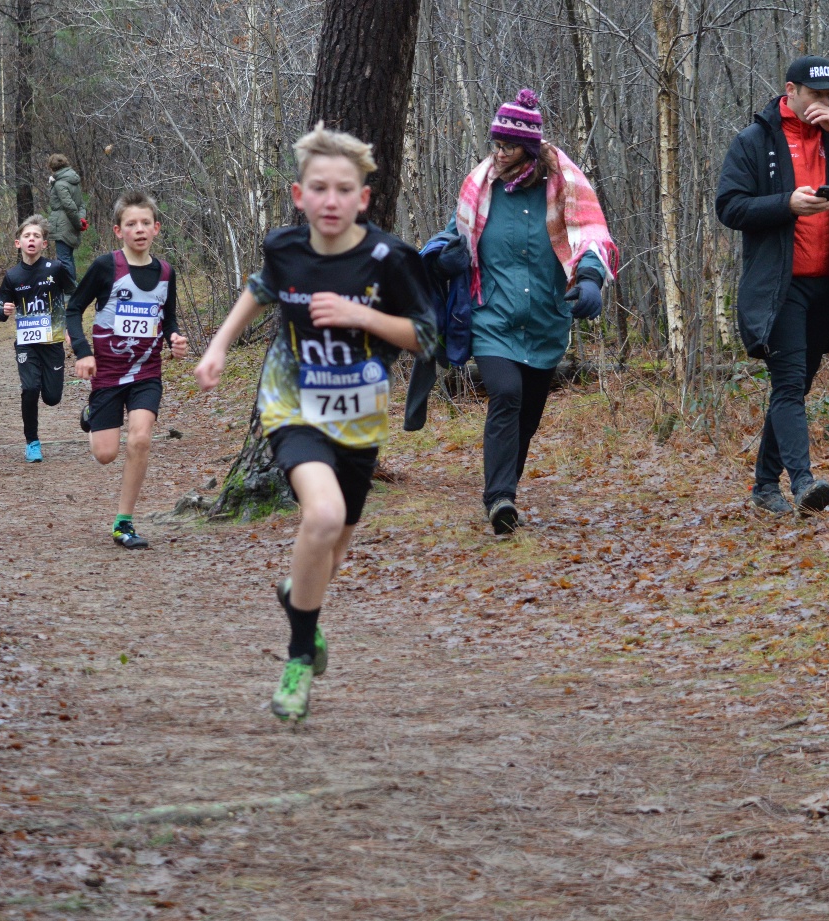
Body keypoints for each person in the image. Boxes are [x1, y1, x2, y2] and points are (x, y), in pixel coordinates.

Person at [194, 123, 436, 723]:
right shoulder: (286, 248)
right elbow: (261, 287)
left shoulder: (389, 259)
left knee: (334, 542)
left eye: (344, 189)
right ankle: (299, 659)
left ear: (363, 199)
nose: (331, 201)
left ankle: (300, 602)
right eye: (319, 188)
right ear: (299, 196)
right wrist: (219, 344)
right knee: (322, 516)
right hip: (292, 403)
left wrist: (362, 314)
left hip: (358, 417)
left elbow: (429, 337)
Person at [428, 89, 618, 535]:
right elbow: (451, 237)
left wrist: (590, 279)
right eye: (495, 145)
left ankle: (504, 490)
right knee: (506, 394)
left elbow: (590, 236)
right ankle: (499, 498)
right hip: (492, 318)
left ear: (528, 149)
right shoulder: (481, 190)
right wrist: (444, 261)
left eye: (507, 146)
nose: (498, 154)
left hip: (546, 321)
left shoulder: (565, 188)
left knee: (528, 415)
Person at [716, 56, 829, 515]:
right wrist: (786, 204)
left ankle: (762, 486)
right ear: (790, 90)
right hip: (780, 288)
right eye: (816, 95)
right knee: (790, 384)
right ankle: (802, 482)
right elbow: (730, 207)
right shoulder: (754, 142)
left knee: (794, 388)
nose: (823, 103)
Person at [67, 191, 188, 548]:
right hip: (106, 373)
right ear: (118, 231)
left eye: (145, 223)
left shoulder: (166, 272)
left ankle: (124, 522)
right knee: (106, 454)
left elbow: (167, 319)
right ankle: (91, 413)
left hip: (146, 373)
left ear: (156, 229)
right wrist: (83, 352)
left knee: (139, 438)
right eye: (131, 224)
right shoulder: (107, 267)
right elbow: (74, 309)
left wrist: (174, 338)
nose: (139, 229)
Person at [0, 215, 73, 462]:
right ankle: (32, 443)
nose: (32, 239)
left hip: (52, 343)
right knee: (30, 389)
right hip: (27, 343)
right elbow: (0, 308)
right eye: (27, 236)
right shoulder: (13, 276)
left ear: (44, 244)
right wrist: (4, 310)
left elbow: (75, 296)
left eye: (37, 236)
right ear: (18, 243)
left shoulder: (56, 269)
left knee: (52, 398)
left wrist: (72, 328)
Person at [47, 153, 87, 283]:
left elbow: (69, 206)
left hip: (63, 225)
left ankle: (70, 291)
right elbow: (81, 205)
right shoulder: (73, 181)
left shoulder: (60, 184)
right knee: (68, 258)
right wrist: (81, 220)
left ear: (52, 167)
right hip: (70, 223)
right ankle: (73, 289)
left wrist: (78, 223)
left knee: (63, 259)